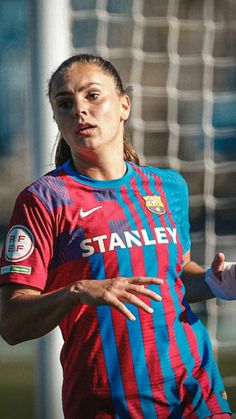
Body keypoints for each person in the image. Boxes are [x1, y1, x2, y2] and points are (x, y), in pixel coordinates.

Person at [0, 54, 234, 419]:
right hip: (109, 403)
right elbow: (11, 323)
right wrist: (78, 291)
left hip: (194, 390)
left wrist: (214, 282)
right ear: (57, 118)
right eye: (65, 103)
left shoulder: (167, 187)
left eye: (92, 95)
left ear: (124, 105)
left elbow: (172, 279)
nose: (79, 109)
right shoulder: (44, 200)